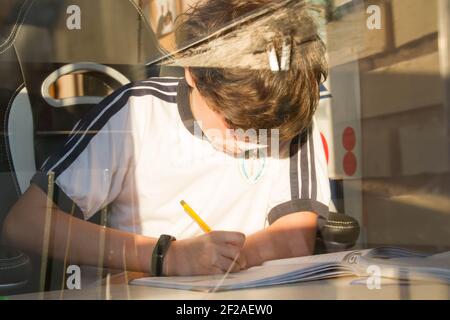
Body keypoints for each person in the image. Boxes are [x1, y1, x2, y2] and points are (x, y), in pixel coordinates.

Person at [2, 0, 330, 277]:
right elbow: (26, 223)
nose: (249, 141)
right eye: (232, 122)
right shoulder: (138, 112)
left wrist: (230, 260)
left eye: (265, 132)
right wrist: (168, 257)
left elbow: (296, 233)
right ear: (192, 72)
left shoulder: (287, 111)